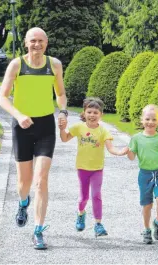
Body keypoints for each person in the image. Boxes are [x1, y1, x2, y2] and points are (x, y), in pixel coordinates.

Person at [0, 27, 67, 250]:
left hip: (46, 126)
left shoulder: (54, 64)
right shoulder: (17, 65)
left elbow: (61, 93)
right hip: (22, 127)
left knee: (41, 180)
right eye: (33, 41)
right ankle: (23, 202)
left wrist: (63, 111)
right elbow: (2, 97)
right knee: (24, 183)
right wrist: (19, 115)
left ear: (46, 43)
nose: (37, 45)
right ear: (26, 43)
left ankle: (38, 230)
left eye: (41, 41)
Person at [58, 97, 128, 238]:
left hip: (97, 169)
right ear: (84, 113)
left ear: (101, 115)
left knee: (96, 195)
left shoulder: (103, 131)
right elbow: (64, 138)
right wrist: (62, 129)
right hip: (82, 168)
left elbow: (111, 148)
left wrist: (120, 152)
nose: (92, 115)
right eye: (89, 112)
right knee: (83, 198)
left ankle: (98, 224)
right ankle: (81, 213)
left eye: (96, 112)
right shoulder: (79, 127)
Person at [126, 104, 158, 244]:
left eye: (154, 119)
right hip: (144, 175)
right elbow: (131, 157)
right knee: (147, 204)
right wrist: (128, 150)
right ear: (142, 120)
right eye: (147, 119)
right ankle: (147, 229)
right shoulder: (136, 138)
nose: (150, 122)